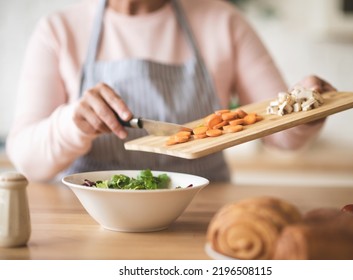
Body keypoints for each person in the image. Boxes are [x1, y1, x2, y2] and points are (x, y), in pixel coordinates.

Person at [6, 0, 335, 182]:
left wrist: (307, 107)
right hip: (88, 219)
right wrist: (71, 125)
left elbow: (282, 136)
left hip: (203, 215)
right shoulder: (59, 30)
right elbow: (26, 160)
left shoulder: (224, 21)